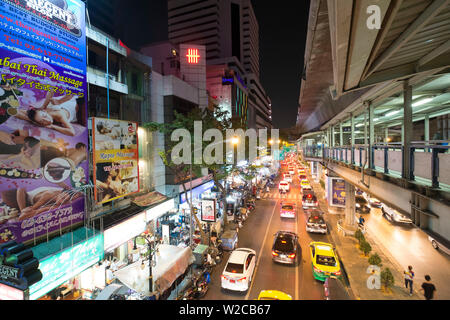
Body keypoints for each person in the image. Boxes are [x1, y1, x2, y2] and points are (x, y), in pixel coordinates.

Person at [14, 91, 82, 136]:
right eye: (42, 121)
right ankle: (43, 109)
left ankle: (45, 106)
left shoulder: (59, 115)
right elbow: (19, 113)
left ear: (44, 111)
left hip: (71, 106)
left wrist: (53, 126)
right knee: (30, 117)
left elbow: (72, 132)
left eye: (44, 116)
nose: (47, 120)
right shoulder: (41, 115)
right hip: (53, 107)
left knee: (50, 102)